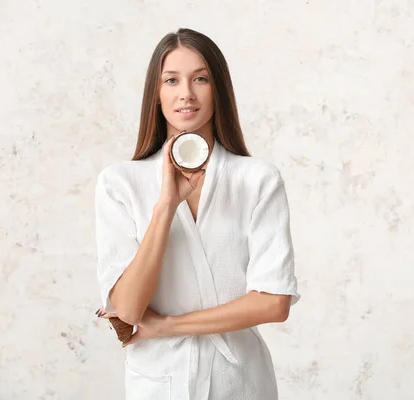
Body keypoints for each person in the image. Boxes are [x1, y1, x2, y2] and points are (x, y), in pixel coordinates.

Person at [93, 28, 300, 400]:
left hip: (239, 379)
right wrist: (165, 206)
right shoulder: (120, 183)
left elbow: (273, 301)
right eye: (171, 80)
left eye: (200, 78)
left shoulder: (257, 180)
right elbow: (128, 306)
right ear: (156, 95)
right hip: (158, 380)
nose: (186, 93)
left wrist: (167, 326)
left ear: (218, 89)